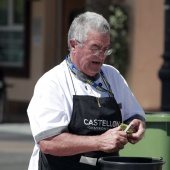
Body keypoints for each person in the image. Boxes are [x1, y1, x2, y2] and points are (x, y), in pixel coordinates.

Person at [27, 11, 146, 170]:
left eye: (106, 49)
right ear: (73, 45)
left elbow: (134, 114)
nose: (102, 56)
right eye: (95, 48)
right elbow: (48, 142)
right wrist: (100, 142)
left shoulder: (113, 76)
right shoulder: (52, 82)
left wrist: (136, 125)